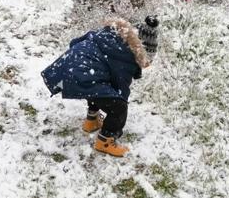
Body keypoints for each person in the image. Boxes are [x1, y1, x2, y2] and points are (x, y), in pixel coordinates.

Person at [41, 16, 159, 157]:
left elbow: (75, 42)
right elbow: (121, 87)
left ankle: (91, 121)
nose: (146, 64)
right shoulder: (126, 56)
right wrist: (120, 106)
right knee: (118, 106)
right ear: (141, 51)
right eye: (146, 60)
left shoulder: (111, 38)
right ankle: (105, 141)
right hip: (81, 72)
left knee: (98, 87)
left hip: (72, 66)